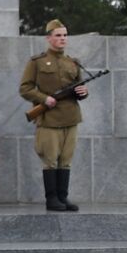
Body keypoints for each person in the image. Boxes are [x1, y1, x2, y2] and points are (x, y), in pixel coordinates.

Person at [19, 19, 89, 212]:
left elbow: (79, 88)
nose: (62, 39)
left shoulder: (73, 63)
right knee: (50, 159)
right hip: (49, 119)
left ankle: (62, 197)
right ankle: (52, 199)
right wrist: (44, 99)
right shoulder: (37, 62)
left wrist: (83, 92)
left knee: (66, 159)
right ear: (49, 38)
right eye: (58, 35)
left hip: (71, 117)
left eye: (65, 35)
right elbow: (25, 88)